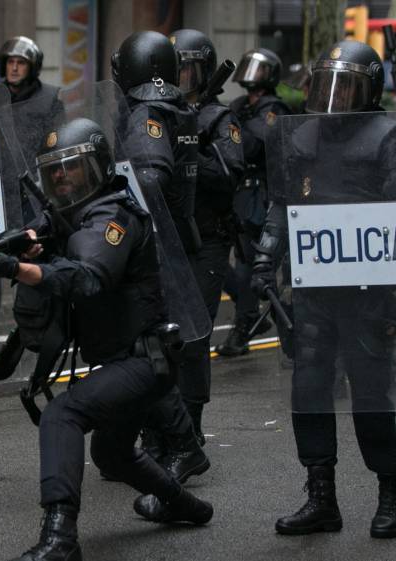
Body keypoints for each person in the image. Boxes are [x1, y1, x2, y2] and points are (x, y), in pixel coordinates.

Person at [0, 118, 213, 561]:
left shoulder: (112, 217)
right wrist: (5, 252)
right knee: (112, 454)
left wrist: (17, 270)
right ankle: (186, 506)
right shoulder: (67, 216)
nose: (60, 176)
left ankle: (60, 537)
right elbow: (41, 238)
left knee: (63, 415)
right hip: (123, 361)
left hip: (144, 361)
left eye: (71, 167)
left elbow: (88, 279)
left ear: (97, 168)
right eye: (52, 170)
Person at [252, 40, 396, 539]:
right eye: (327, 85)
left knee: (369, 394)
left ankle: (390, 492)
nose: (335, 97)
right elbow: (281, 204)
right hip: (314, 288)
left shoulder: (388, 136)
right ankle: (321, 496)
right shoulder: (303, 137)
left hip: (366, 292)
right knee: (309, 393)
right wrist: (265, 256)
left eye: (347, 87)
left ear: (370, 91)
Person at [112, 30, 209, 482]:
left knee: (147, 351)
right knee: (155, 349)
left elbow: (148, 179)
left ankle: (178, 444)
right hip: (175, 243)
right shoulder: (180, 110)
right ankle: (156, 443)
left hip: (150, 249)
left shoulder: (147, 114)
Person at [169, 28, 245, 443]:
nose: (181, 77)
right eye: (174, 69)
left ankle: (190, 425)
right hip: (165, 238)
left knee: (194, 337)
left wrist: (190, 149)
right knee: (158, 337)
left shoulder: (218, 118)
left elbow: (230, 174)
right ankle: (158, 423)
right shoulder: (158, 113)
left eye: (188, 70)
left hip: (205, 240)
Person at [0, 36, 65, 358]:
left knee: (35, 257)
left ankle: (38, 328)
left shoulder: (49, 98)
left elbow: (57, 143)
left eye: (20, 62)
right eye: (9, 61)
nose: (13, 66)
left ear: (32, 67)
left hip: (30, 192)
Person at [217, 48, 291, 356]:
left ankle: (249, 324)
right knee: (234, 262)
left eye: (259, 70)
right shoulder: (237, 105)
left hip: (263, 192)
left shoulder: (275, 109)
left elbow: (254, 144)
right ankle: (251, 317)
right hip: (238, 190)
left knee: (254, 264)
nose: (252, 75)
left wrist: (232, 129)